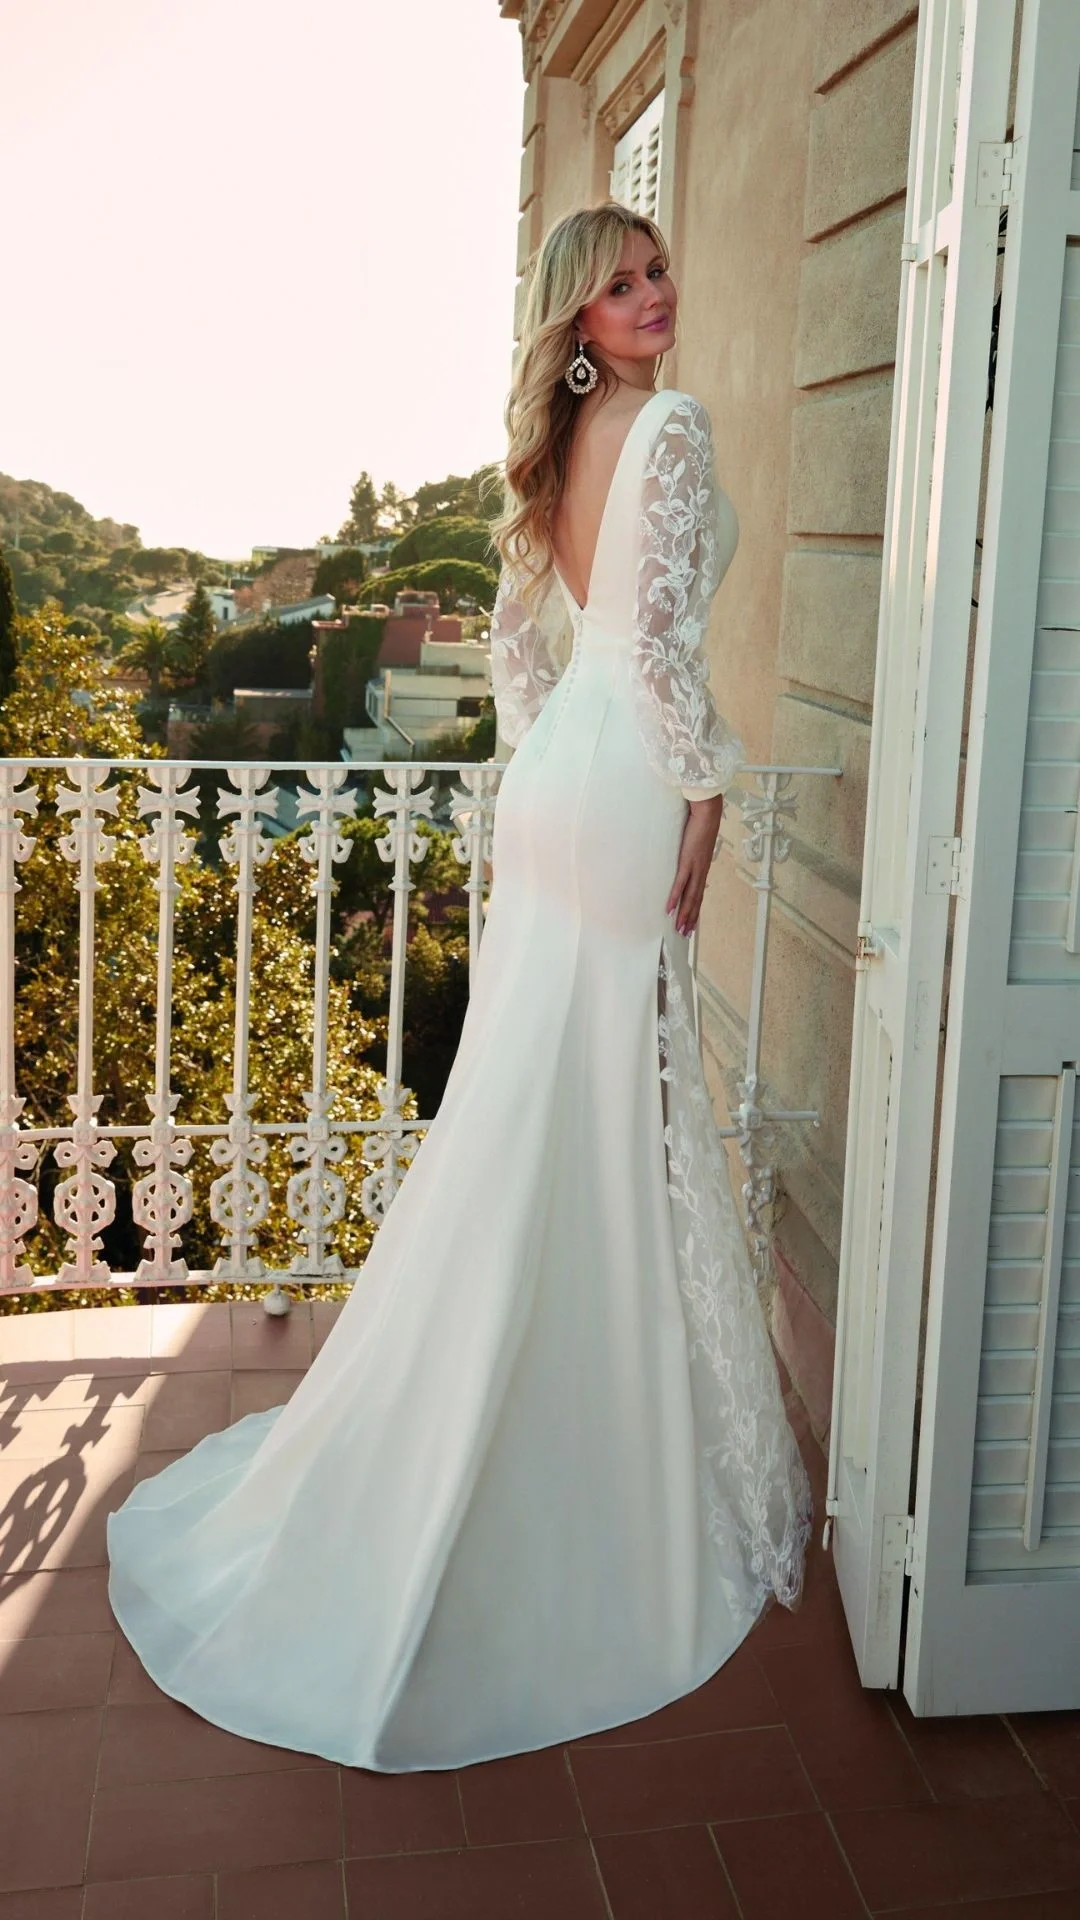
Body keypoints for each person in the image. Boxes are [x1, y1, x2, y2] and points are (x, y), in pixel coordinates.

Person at [106, 201, 813, 1773]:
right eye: (621, 284)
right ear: (578, 317)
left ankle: (506, 1399)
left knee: (536, 1095)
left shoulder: (559, 451)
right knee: (608, 1097)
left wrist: (562, 764)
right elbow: (660, 655)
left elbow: (522, 650)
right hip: (625, 784)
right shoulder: (670, 427)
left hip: (558, 786)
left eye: (658, 271)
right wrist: (704, 789)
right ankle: (588, 1438)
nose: (655, 294)